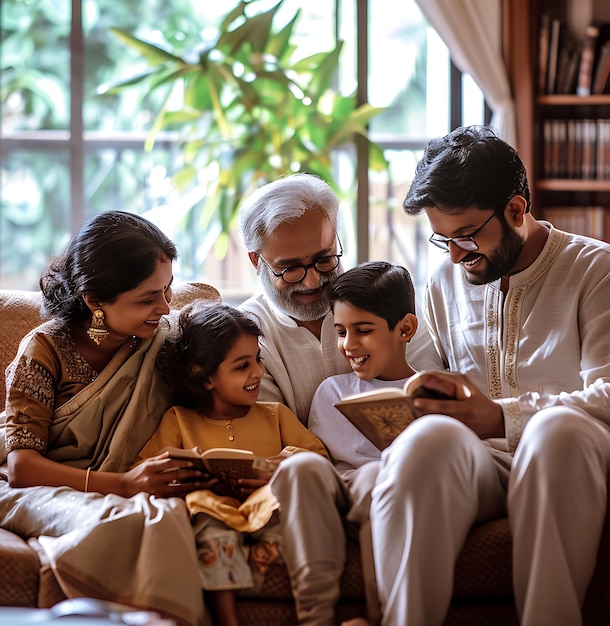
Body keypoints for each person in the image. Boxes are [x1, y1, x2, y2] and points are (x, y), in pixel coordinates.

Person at [369, 125, 610, 626]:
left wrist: (502, 417)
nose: (455, 255)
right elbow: (431, 379)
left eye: (466, 236)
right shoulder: (442, 282)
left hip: (573, 456)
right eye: (444, 239)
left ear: (516, 211)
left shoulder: (596, 270)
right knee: (426, 443)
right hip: (482, 465)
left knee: (554, 430)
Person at [0, 210, 211, 626]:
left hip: (115, 482)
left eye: (168, 290)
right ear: (95, 302)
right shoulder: (44, 350)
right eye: (147, 298)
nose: (165, 307)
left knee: (165, 514)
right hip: (34, 485)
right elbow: (21, 469)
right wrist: (125, 485)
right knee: (130, 516)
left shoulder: (164, 342)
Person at [135, 300, 330, 626]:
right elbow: (146, 469)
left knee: (299, 518)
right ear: (205, 376)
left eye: (258, 359)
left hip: (268, 507)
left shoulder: (275, 415)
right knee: (209, 523)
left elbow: (318, 457)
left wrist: (275, 466)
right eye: (242, 367)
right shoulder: (179, 419)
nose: (257, 372)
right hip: (213, 512)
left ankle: (261, 559)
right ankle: (227, 620)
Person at [238, 172, 441, 426]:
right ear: (256, 260)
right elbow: (272, 434)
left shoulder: (383, 298)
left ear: (335, 239)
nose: (312, 281)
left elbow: (433, 399)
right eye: (290, 269)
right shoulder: (245, 335)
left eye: (324, 259)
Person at [305, 260, 421, 626]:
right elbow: (324, 462)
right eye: (341, 331)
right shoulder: (333, 391)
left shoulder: (435, 390)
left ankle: (380, 616)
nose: (348, 345)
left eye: (363, 330)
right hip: (341, 494)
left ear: (405, 329)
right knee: (318, 470)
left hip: (397, 494)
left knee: (375, 476)